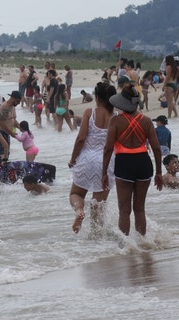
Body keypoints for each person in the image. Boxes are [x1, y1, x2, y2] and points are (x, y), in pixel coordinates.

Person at [102, 84, 163, 236]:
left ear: (122, 101)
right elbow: (156, 148)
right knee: (140, 209)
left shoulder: (115, 122)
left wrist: (104, 173)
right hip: (144, 163)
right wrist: (159, 173)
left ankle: (126, 247)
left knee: (124, 210)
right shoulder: (147, 121)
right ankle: (142, 243)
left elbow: (108, 148)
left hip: (124, 164)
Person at [68, 82, 117, 233]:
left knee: (76, 194)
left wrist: (72, 159)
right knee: (98, 205)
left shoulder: (90, 112)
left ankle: (79, 211)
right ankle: (97, 239)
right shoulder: (116, 117)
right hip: (106, 162)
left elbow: (81, 139)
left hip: (86, 159)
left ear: (96, 97)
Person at [0, 91, 20, 159]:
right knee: (2, 155)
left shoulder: (12, 107)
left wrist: (22, 128)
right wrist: (11, 133)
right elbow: (1, 123)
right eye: (17, 101)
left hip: (6, 133)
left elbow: (13, 120)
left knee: (6, 154)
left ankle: (3, 168)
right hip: (0, 132)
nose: (18, 103)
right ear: (12, 98)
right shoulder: (4, 107)